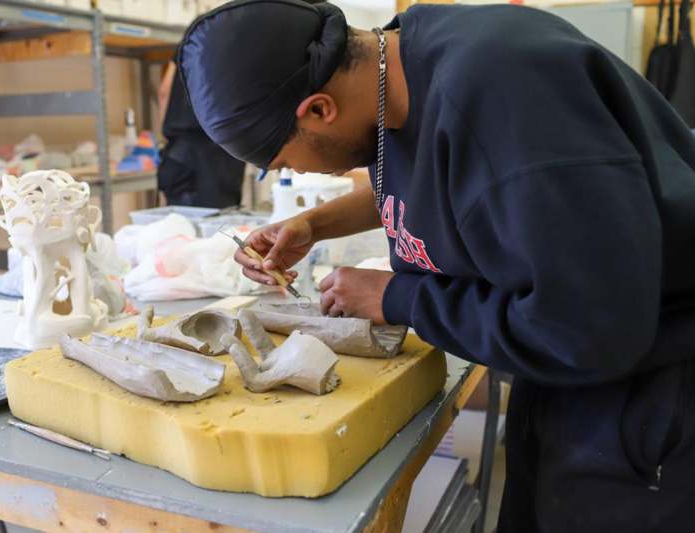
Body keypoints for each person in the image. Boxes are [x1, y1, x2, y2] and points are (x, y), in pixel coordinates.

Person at [176, 1, 695, 531]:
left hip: (653, 395)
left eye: (281, 163)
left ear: (318, 110)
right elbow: (434, 173)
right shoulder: (397, 65)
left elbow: (588, 329)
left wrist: (396, 298)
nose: (288, 172)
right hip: (572, 379)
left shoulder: (510, 106)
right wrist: (313, 225)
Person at [156, 61, 246, 207]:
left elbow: (164, 92)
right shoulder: (237, 45)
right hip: (226, 148)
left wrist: (169, 135)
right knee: (221, 221)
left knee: (182, 223)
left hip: (186, 152)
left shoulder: (188, 42)